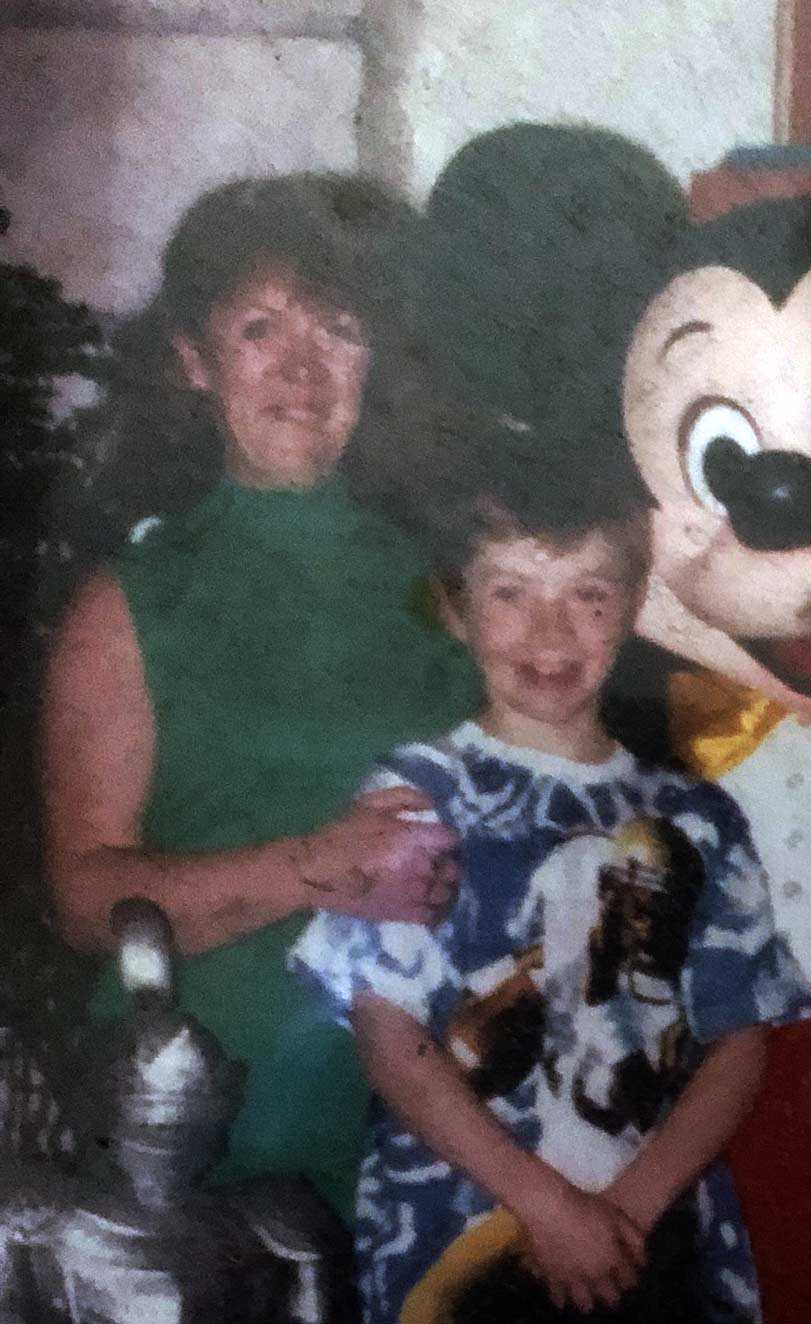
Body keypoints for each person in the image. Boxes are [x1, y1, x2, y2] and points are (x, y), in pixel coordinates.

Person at [41, 174, 481, 1218]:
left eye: (338, 329)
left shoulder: (455, 586)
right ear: (193, 362)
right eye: (257, 329)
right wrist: (309, 867)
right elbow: (81, 896)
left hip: (430, 1120)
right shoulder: (131, 601)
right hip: (206, 1116)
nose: (302, 368)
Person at [290, 470, 807, 1323]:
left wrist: (627, 1214)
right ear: (456, 611)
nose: (550, 631)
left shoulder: (697, 815)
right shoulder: (416, 796)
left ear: (634, 605)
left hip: (652, 1241)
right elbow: (391, 1043)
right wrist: (553, 1208)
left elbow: (737, 1046)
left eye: (588, 595)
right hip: (455, 1233)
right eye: (511, 593)